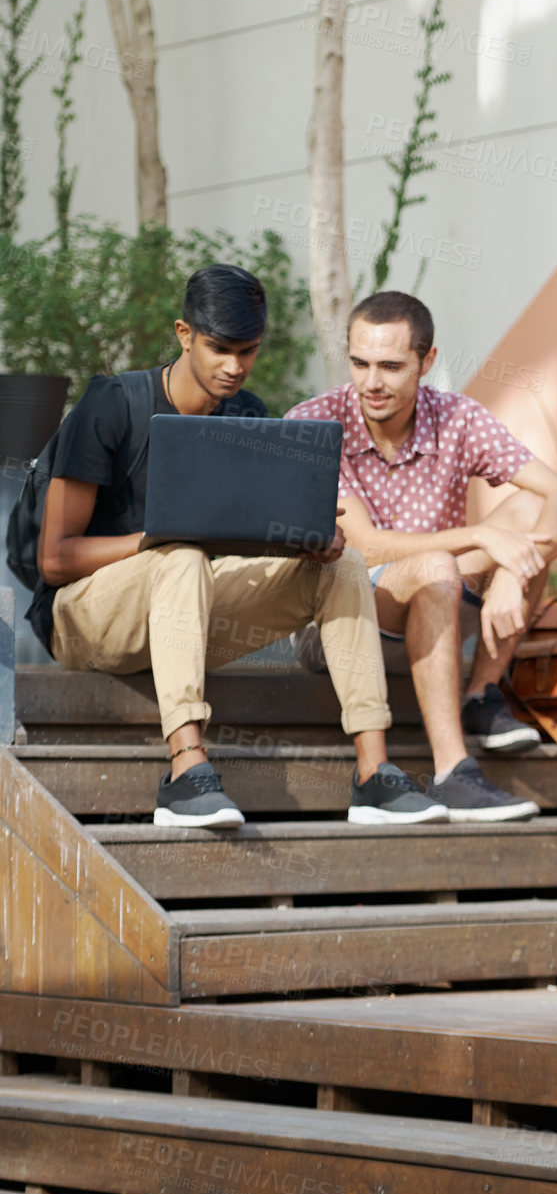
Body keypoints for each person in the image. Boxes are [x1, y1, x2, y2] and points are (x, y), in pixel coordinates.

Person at [31, 264, 441, 831]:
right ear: (184, 334)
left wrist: (304, 545)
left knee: (340, 561)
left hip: (185, 613)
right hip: (83, 618)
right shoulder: (114, 404)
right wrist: (159, 540)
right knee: (181, 555)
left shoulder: (248, 415)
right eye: (220, 349)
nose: (234, 367)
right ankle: (185, 771)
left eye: (247, 351)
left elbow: (248, 544)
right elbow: (54, 559)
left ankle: (374, 774)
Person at [286, 291, 557, 824]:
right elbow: (369, 545)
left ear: (427, 362)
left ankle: (480, 693)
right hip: (345, 624)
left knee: (525, 516)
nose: (371, 382)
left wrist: (511, 577)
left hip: (439, 610)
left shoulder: (456, 416)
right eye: (360, 363)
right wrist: (482, 540)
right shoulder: (315, 423)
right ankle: (454, 772)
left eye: (391, 366)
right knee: (440, 563)